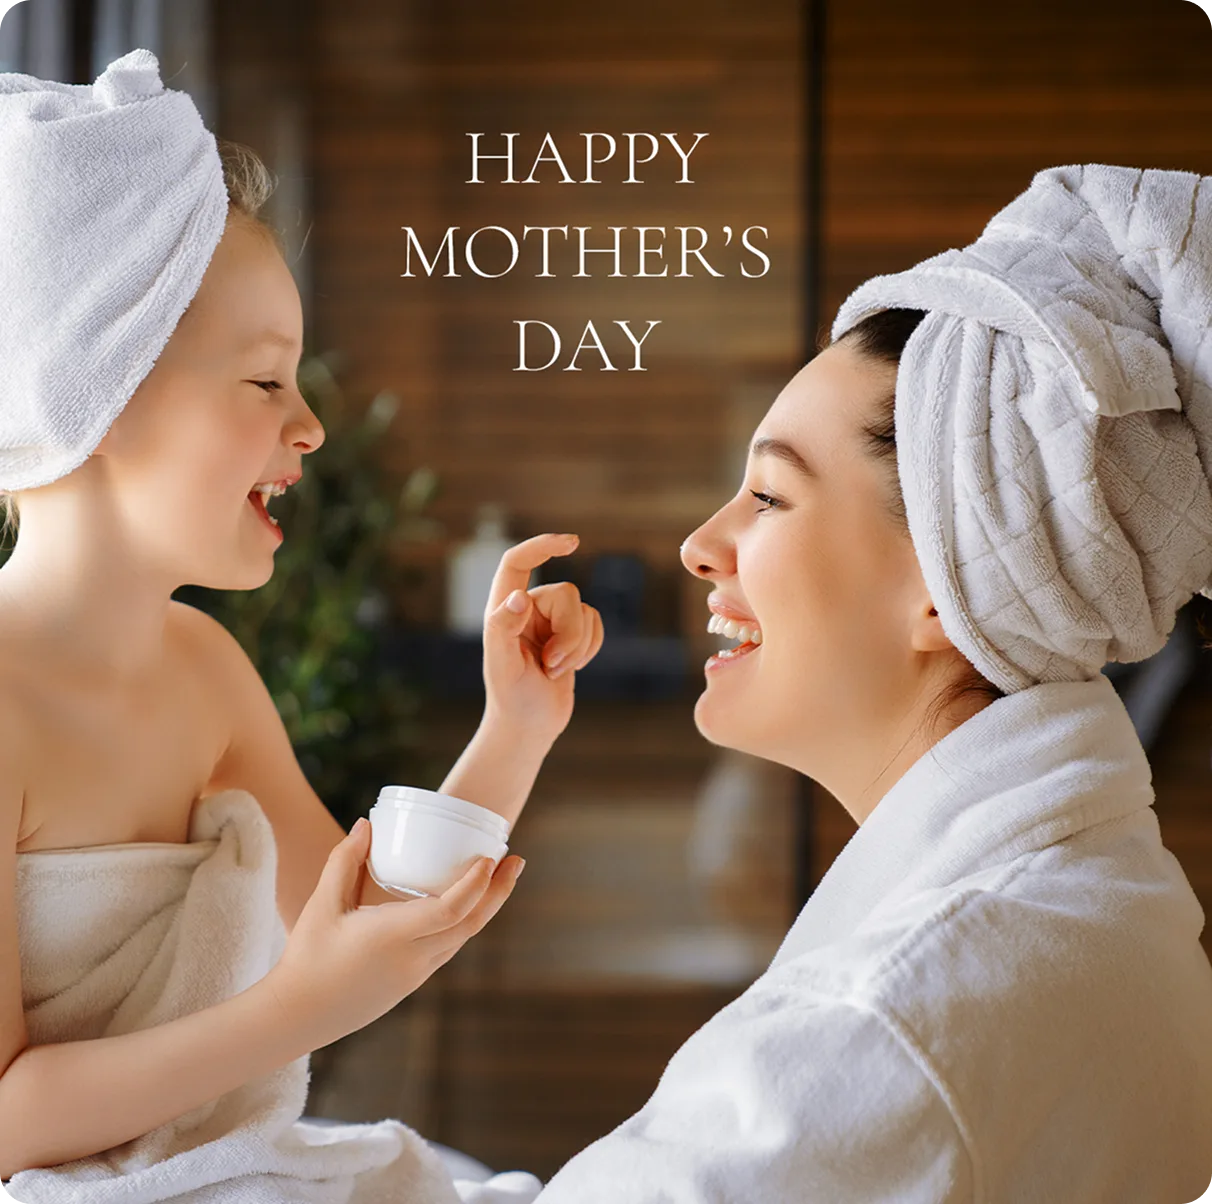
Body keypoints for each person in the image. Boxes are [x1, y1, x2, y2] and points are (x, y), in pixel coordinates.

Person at [531, 164, 1212, 1202]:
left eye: (768, 495)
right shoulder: (1093, 908)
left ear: (945, 586)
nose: (700, 544)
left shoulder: (887, 1030)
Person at [0, 50, 600, 1201]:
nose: (313, 426)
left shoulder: (203, 671)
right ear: (102, 393)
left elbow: (368, 924)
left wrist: (514, 727)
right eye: (267, 383)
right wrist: (295, 1008)